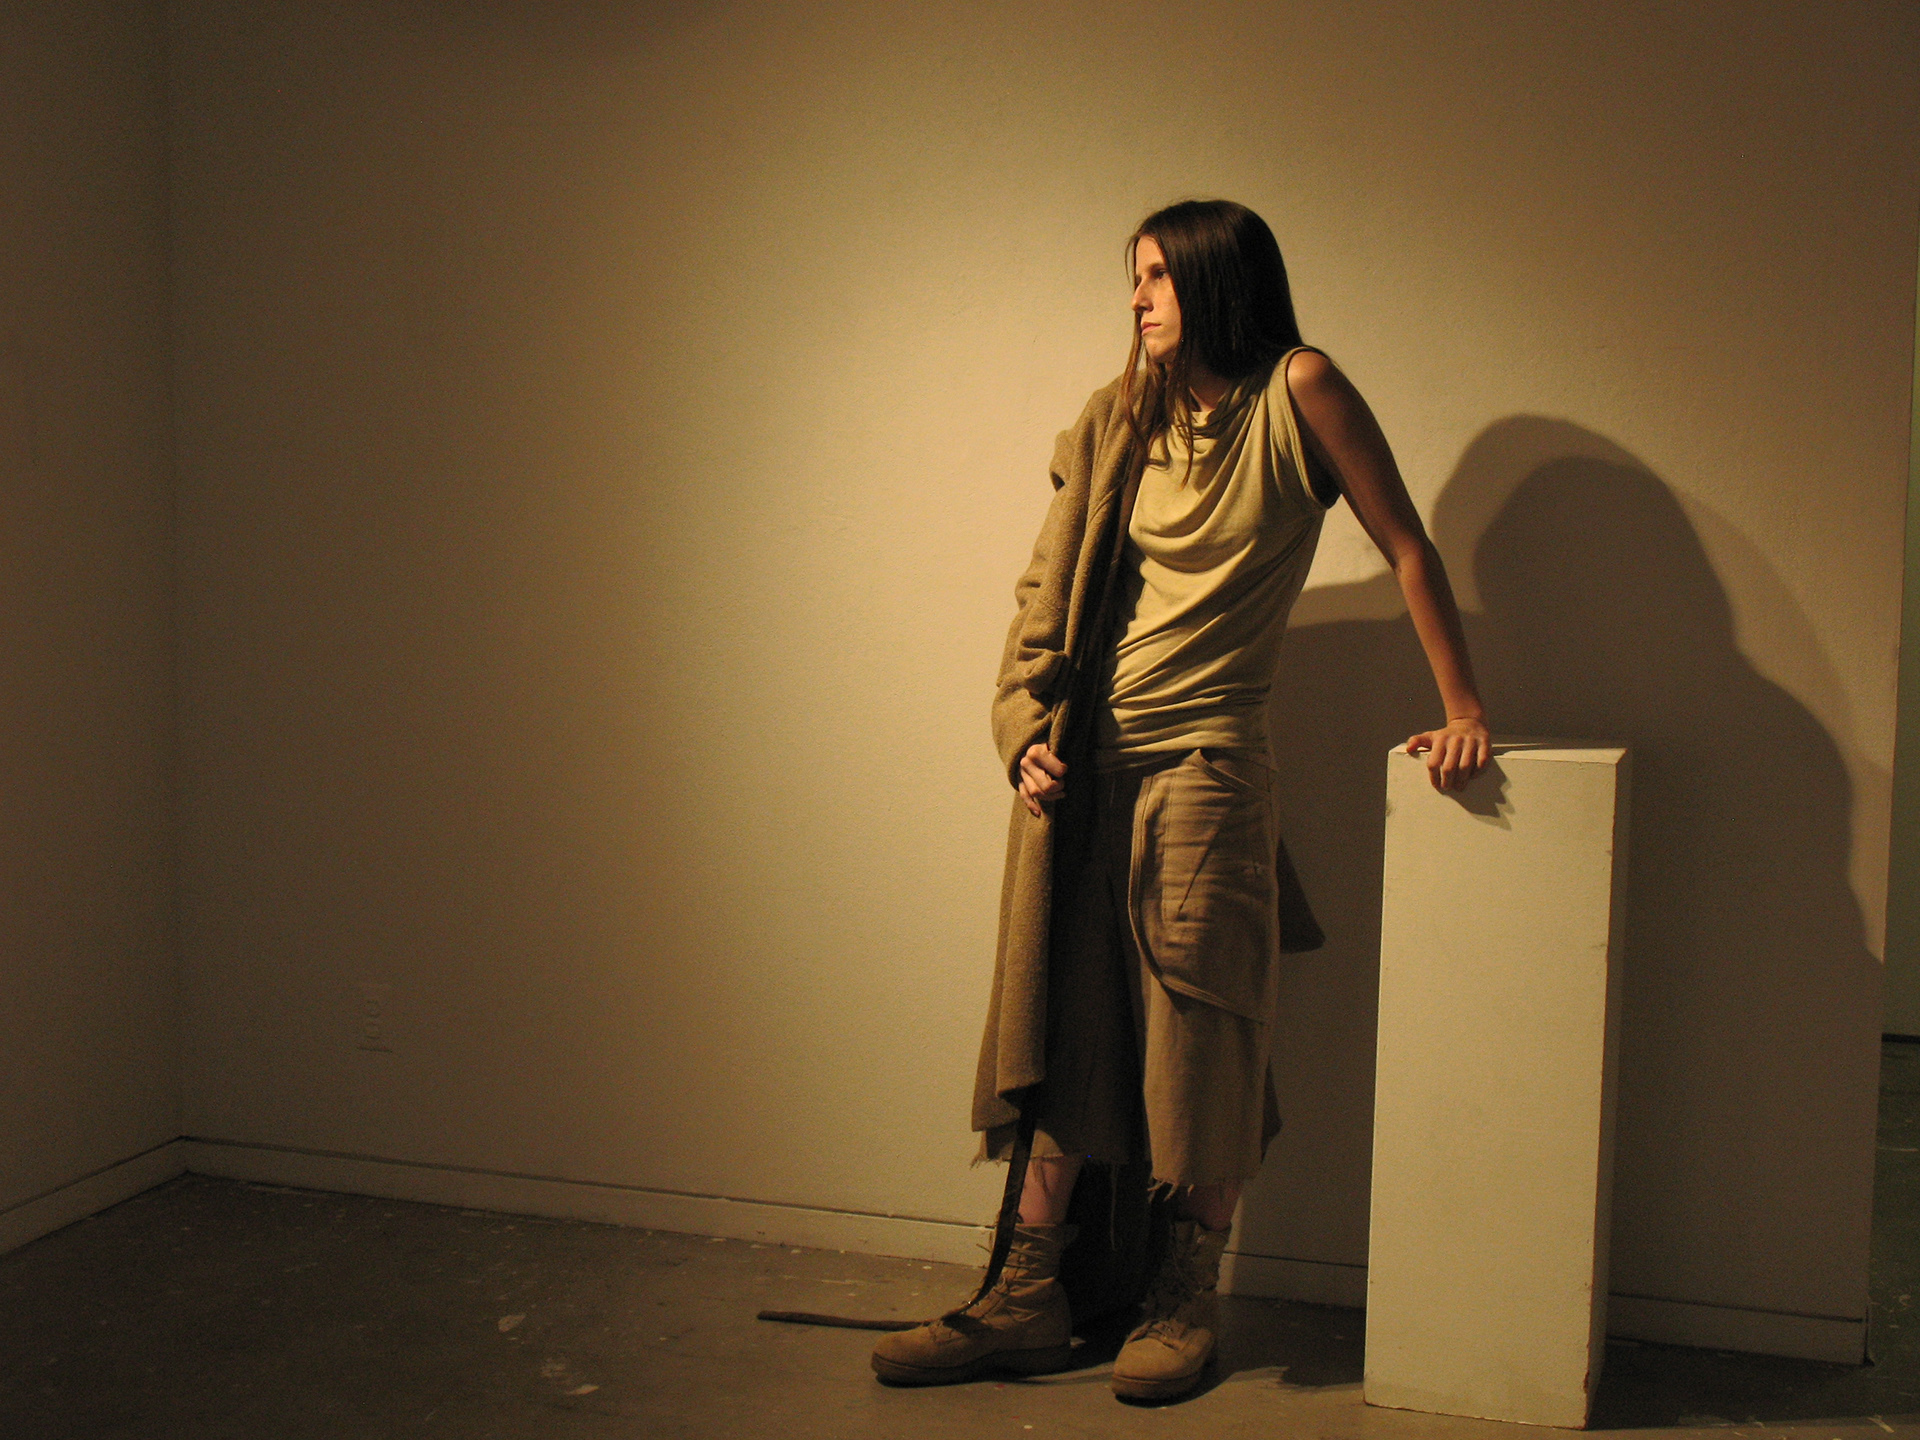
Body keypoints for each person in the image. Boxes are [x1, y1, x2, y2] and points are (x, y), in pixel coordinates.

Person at [872, 199, 1491, 1402]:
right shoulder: (1122, 418)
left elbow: (1408, 544)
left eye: (1157, 274)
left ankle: (1182, 1296)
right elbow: (1044, 595)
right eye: (1135, 276)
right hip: (1085, 767)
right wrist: (1022, 736)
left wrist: (1465, 708)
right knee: (1065, 1028)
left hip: (1207, 770)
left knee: (1204, 1035)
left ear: (1215, 279)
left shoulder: (1300, 391)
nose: (1139, 297)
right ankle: (1024, 1291)